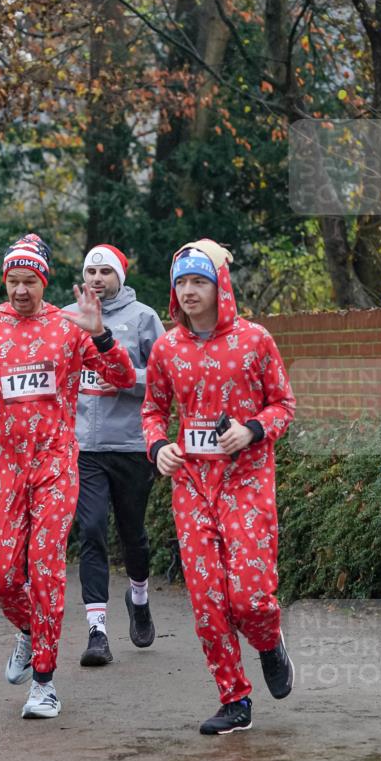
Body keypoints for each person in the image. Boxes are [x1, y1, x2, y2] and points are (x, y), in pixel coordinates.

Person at [0, 233, 135, 719]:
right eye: (13, 281)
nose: (21, 290)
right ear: (4, 281)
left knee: (45, 568)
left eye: (30, 281)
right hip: (4, 468)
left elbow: (124, 378)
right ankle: (29, 630)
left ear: (44, 281)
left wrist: (101, 335)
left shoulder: (69, 325)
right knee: (2, 577)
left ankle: (44, 681)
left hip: (55, 465)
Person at [142, 239, 296, 735]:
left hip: (247, 481)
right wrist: (158, 446)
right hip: (191, 485)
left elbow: (284, 405)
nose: (189, 291)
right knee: (208, 601)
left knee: (249, 598)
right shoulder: (166, 348)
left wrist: (252, 429)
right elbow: (152, 410)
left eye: (199, 281)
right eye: (181, 283)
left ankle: (268, 643)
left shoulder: (255, 340)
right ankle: (234, 699)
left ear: (219, 286)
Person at [65, 244, 164, 666]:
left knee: (132, 534)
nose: (97, 279)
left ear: (120, 277)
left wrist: (125, 379)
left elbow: (165, 377)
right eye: (91, 272)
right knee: (90, 531)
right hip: (83, 448)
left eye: (106, 272)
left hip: (130, 445)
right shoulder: (66, 317)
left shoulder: (143, 318)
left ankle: (138, 597)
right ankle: (97, 632)